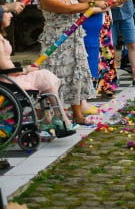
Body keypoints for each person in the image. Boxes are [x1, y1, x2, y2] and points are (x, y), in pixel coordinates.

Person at [36, 0, 109, 125]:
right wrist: (93, 6)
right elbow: (68, 9)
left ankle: (77, 114)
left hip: (75, 38)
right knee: (57, 74)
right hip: (57, 40)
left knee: (76, 72)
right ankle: (54, 114)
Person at [0, 9, 77, 138]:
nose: (10, 15)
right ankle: (59, 118)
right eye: (6, 13)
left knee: (45, 76)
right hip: (9, 79)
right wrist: (26, 70)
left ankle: (55, 118)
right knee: (45, 76)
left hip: (12, 76)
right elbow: (3, 66)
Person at [69, 0, 117, 95]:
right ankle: (87, 91)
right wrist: (103, 5)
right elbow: (85, 3)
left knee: (100, 56)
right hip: (88, 25)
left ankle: (101, 87)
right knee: (90, 55)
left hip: (99, 23)